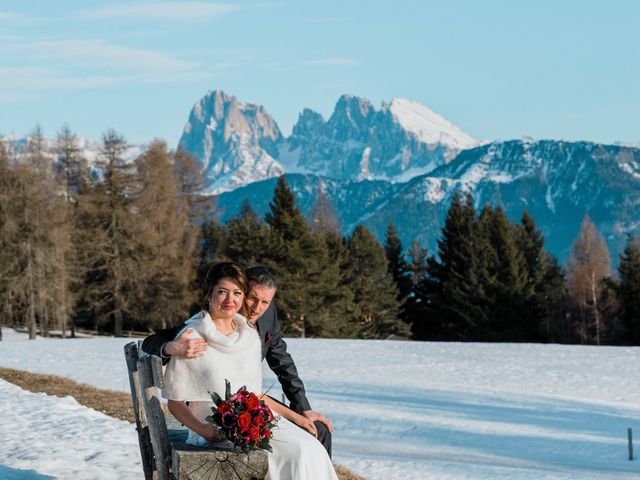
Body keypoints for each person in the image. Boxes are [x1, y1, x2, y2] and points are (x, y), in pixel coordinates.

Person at [162, 262, 338, 479]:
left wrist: (298, 416)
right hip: (213, 426)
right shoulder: (192, 337)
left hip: (253, 419)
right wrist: (205, 430)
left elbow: (257, 392)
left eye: (236, 293)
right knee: (294, 453)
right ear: (209, 294)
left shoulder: (247, 335)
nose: (230, 300)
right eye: (222, 292)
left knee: (311, 448)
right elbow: (174, 402)